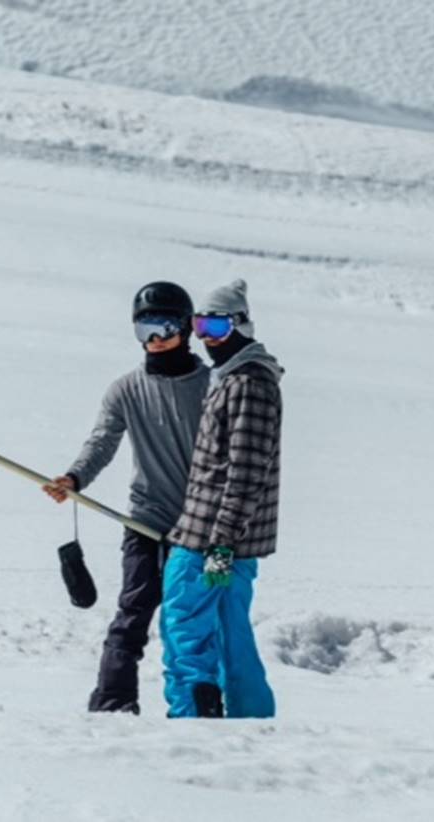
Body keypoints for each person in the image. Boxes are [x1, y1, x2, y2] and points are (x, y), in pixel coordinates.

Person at [45, 282, 210, 714]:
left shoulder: (212, 385)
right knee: (133, 613)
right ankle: (112, 704)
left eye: (164, 328)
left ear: (187, 329)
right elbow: (102, 441)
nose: (154, 341)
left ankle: (202, 707)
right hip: (146, 520)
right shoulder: (125, 389)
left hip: (200, 527)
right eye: (143, 331)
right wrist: (74, 477)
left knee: (192, 622)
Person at [162, 279, 283, 719]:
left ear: (241, 325)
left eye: (215, 326)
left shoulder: (248, 384)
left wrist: (221, 543)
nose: (205, 338)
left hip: (211, 543)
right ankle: (249, 722)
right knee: (226, 627)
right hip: (223, 542)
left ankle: (193, 722)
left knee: (185, 628)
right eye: (199, 325)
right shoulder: (236, 379)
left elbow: (247, 472)